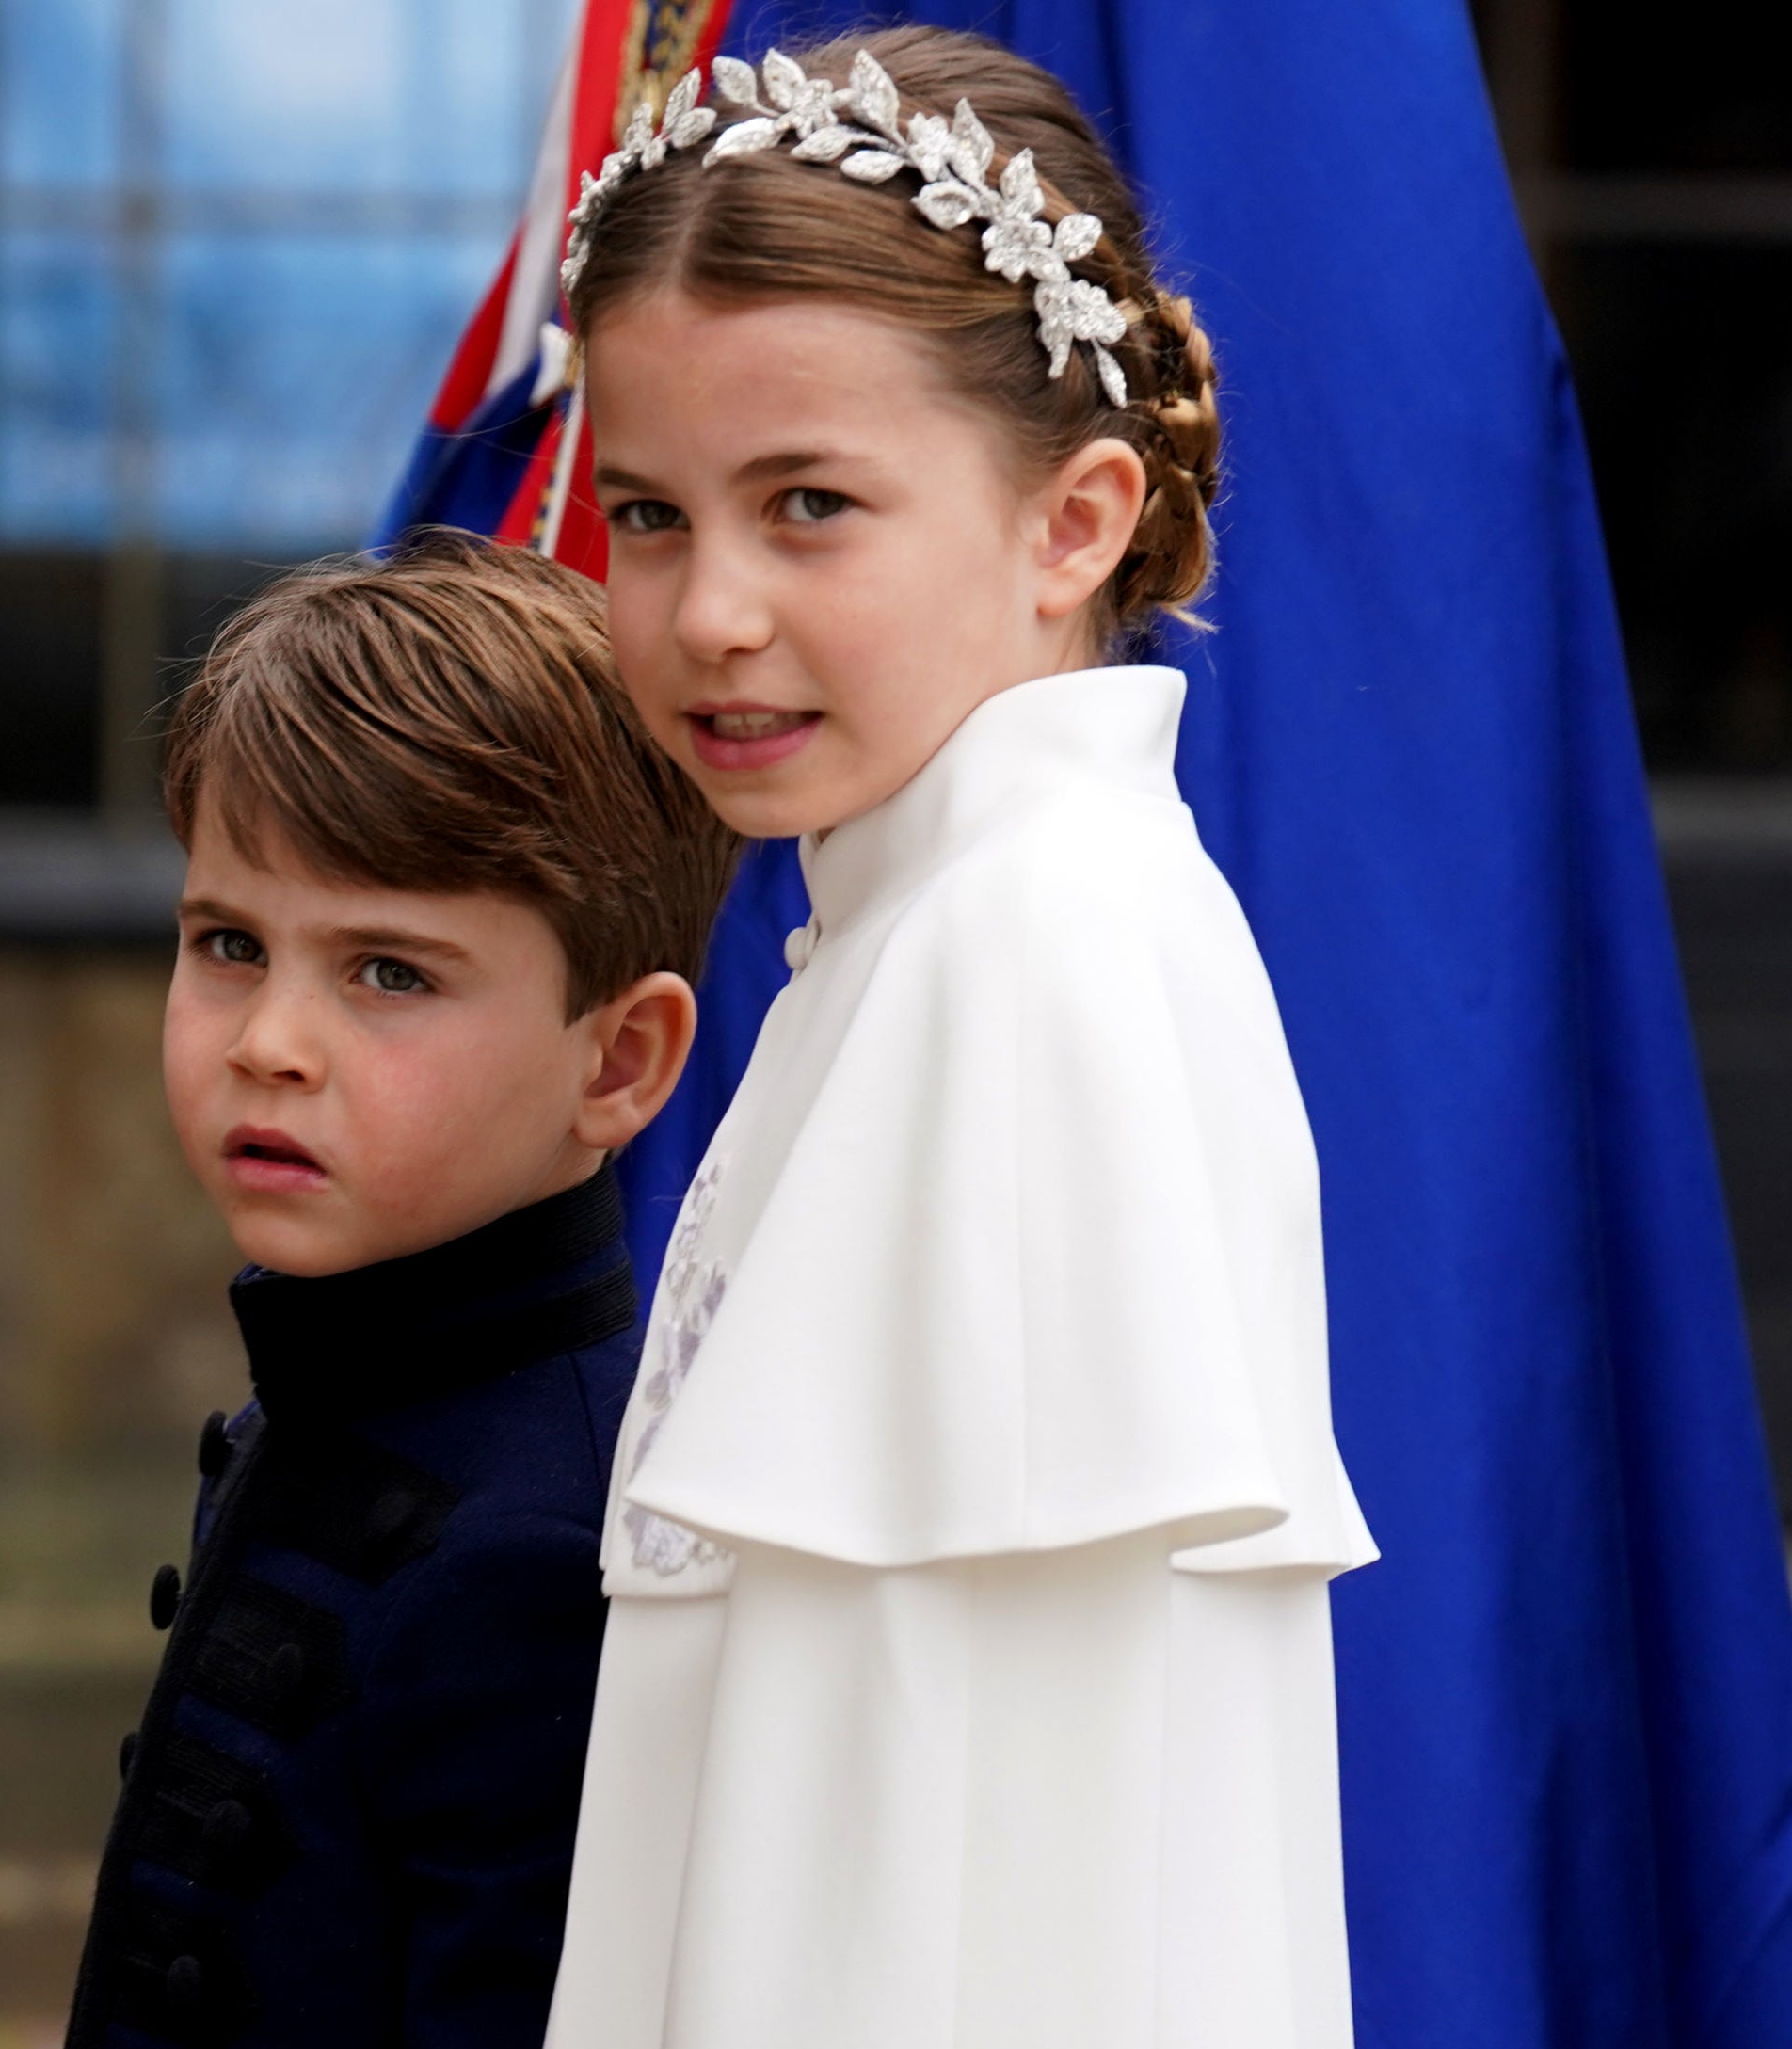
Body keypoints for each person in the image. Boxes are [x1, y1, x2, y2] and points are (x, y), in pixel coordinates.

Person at [545, 30, 1375, 2047]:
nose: (709, 611)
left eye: (807, 506)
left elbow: (931, 1815)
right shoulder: (930, 923)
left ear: (1074, 520)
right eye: (646, 517)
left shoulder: (1015, 971)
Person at [66, 535, 744, 2048]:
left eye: (388, 972)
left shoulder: (538, 1552)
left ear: (620, 1059)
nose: (271, 1041)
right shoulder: (338, 1382)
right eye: (229, 944)